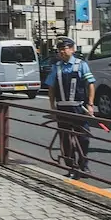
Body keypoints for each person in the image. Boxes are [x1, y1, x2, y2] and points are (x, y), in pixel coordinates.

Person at [44, 37, 96, 179]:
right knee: (65, 139)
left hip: (79, 108)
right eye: (59, 49)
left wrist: (90, 105)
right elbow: (51, 87)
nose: (62, 51)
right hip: (62, 108)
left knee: (83, 137)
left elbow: (91, 84)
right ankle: (71, 166)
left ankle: (83, 164)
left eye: (64, 48)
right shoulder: (57, 67)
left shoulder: (81, 65)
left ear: (72, 50)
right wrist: (52, 107)